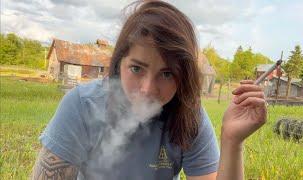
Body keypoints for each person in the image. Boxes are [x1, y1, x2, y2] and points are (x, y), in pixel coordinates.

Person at [32, 1, 266, 180]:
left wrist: (232, 141)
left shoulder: (188, 115)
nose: (147, 90)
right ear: (118, 65)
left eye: (166, 74)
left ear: (182, 77)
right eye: (136, 68)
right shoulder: (82, 106)